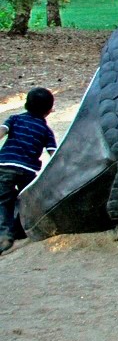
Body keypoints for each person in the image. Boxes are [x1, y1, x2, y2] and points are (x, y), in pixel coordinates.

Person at [0, 87, 57, 255]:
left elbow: (2, 131)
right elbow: (54, 154)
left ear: (25, 104)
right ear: (48, 111)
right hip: (28, 171)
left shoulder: (15, 119)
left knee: (3, 201)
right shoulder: (46, 131)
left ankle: (4, 235)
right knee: (25, 200)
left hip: (5, 166)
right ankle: (22, 230)